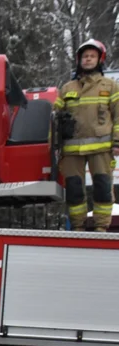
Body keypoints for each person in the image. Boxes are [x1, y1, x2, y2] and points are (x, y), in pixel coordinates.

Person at [54, 39, 119, 231]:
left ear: (100, 59)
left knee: (103, 188)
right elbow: (54, 120)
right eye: (85, 56)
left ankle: (101, 228)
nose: (88, 59)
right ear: (78, 60)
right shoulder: (67, 88)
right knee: (74, 190)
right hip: (71, 150)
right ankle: (78, 228)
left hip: (102, 148)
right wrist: (54, 148)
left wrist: (117, 142)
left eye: (92, 56)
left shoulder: (110, 86)